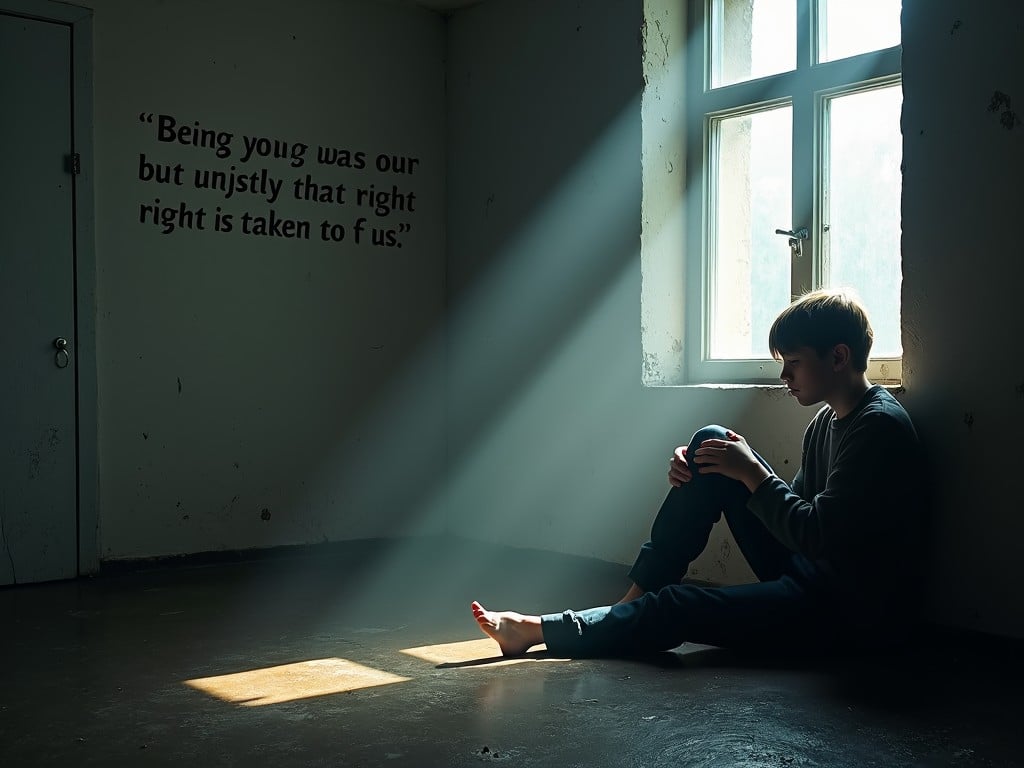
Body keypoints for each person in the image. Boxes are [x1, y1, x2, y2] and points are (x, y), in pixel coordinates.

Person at [471, 288, 927, 658]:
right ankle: (627, 606)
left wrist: (750, 473)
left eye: (794, 363)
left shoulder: (877, 427)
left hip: (841, 615)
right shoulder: (827, 420)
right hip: (811, 575)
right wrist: (711, 467)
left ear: (839, 357)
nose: (785, 376)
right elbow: (800, 517)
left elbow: (816, 535)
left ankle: (540, 630)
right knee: (712, 442)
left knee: (677, 605)